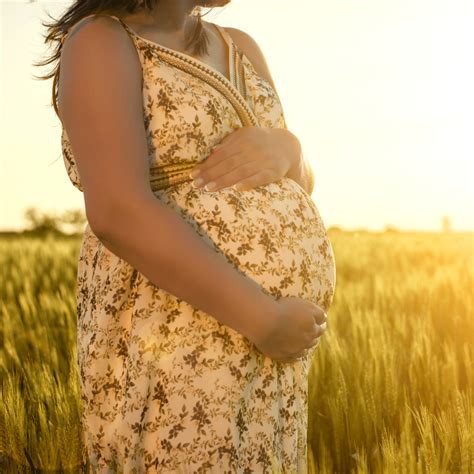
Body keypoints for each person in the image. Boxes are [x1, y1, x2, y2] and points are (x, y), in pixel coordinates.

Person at [43, 0, 337, 471]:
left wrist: (289, 150)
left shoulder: (240, 47)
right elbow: (118, 210)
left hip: (269, 353)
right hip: (177, 326)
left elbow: (295, 184)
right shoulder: (103, 41)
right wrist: (263, 319)